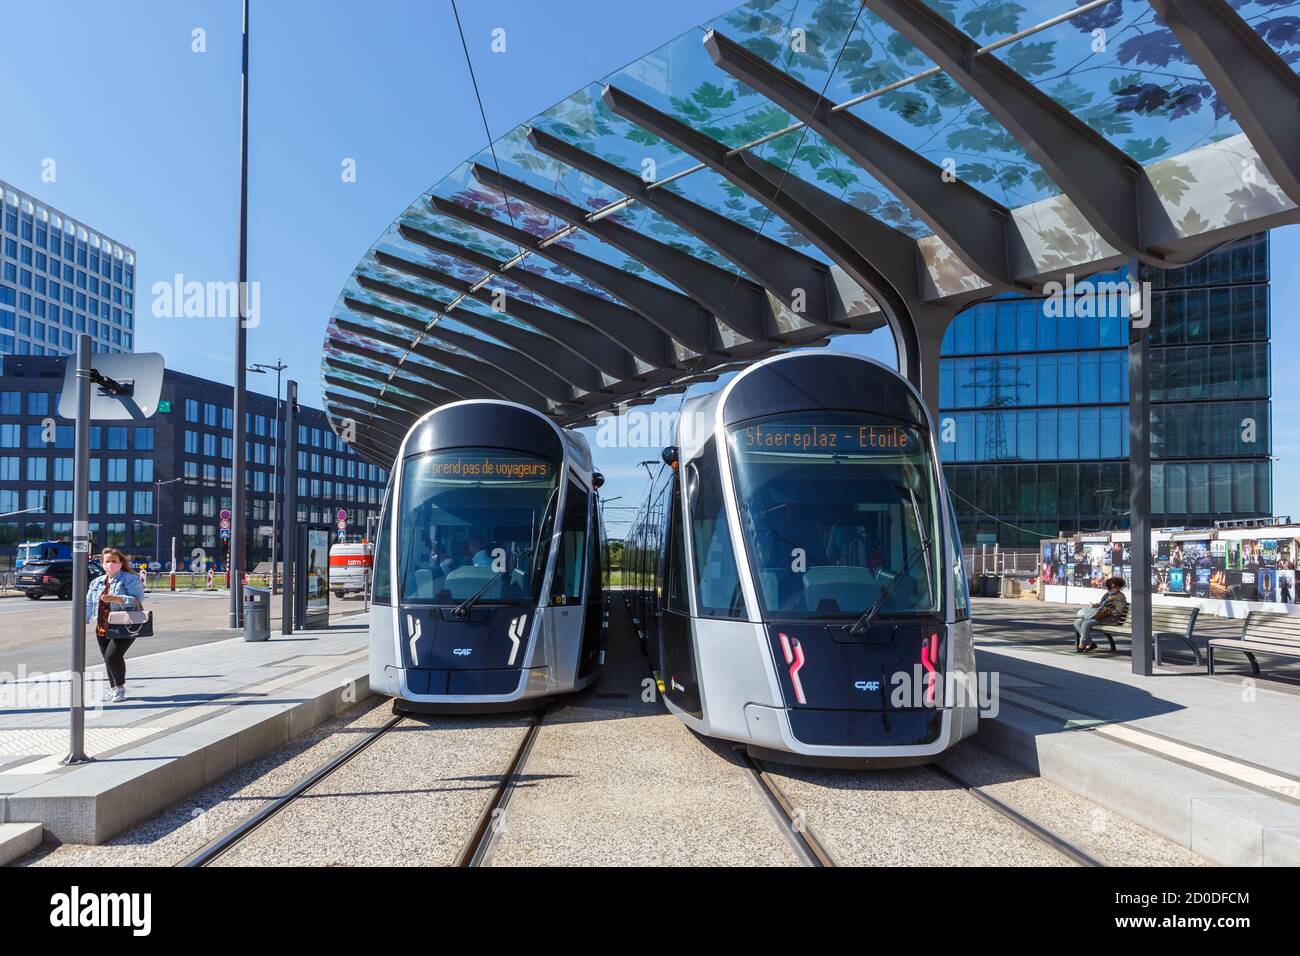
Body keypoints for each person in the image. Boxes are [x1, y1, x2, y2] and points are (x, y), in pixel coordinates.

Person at [86, 547, 147, 702]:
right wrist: (83, 620)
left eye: (114, 561)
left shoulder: (130, 579)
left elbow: (138, 601)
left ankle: (120, 688)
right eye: (107, 561)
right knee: (107, 659)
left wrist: (116, 599)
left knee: (113, 656)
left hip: (124, 624)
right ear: (102, 563)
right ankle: (113, 689)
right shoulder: (96, 582)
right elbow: (88, 603)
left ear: (121, 563)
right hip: (102, 625)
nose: (111, 564)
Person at [1072, 576, 1127, 652]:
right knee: (1077, 622)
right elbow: (1102, 604)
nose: (1109, 590)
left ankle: (1083, 642)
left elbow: (1118, 612)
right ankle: (1090, 643)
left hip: (1111, 618)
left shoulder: (1120, 597)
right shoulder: (1107, 594)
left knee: (1085, 623)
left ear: (1117, 587)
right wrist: (1098, 605)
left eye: (1110, 588)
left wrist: (1108, 608)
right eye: (1108, 588)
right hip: (1101, 615)